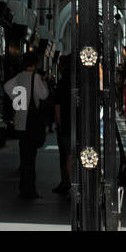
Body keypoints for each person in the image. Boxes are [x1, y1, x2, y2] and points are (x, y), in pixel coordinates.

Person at [4, 51, 49, 199]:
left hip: (20, 121)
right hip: (31, 123)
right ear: (35, 64)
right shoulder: (35, 77)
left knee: (24, 155)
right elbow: (44, 95)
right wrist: (43, 81)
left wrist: (18, 99)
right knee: (30, 156)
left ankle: (23, 186)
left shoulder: (19, 76)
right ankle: (29, 188)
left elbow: (7, 86)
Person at [51, 54, 72, 196]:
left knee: (66, 154)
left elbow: (57, 104)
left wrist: (58, 124)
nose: (58, 67)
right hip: (75, 123)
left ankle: (68, 182)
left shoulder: (63, 81)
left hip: (65, 124)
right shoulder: (77, 80)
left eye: (59, 64)